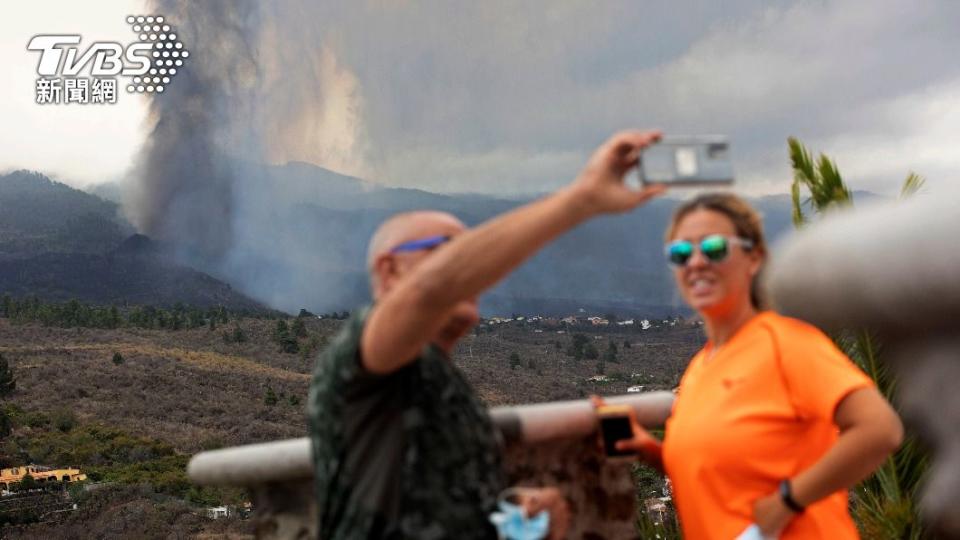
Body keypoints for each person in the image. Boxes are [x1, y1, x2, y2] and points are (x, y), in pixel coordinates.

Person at [307, 130, 667, 539]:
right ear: (390, 273)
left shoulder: (441, 380)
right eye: (450, 250)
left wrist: (522, 521)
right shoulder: (360, 360)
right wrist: (581, 199)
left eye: (473, 253)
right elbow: (430, 289)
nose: (475, 272)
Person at [612, 193, 904, 539]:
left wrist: (788, 501)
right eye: (680, 254)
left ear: (754, 257)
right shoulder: (700, 368)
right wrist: (653, 453)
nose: (696, 262)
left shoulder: (786, 344)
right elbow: (723, 472)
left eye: (715, 248)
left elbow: (880, 429)